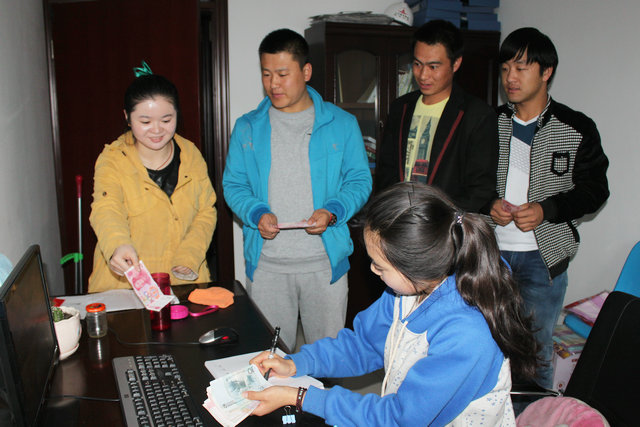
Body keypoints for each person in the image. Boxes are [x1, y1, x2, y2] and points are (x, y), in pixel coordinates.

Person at [244, 182, 538, 426]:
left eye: (380, 265)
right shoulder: (408, 290)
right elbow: (364, 344)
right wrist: (297, 363)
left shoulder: (467, 333)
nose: (373, 270)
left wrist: (300, 397)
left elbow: (400, 418)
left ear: (415, 266)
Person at [222, 29, 372, 350]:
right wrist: (256, 213)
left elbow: (359, 180)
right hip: (268, 268)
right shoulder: (247, 127)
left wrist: (333, 211)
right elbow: (234, 184)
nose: (273, 84)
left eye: (282, 74)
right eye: (266, 74)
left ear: (306, 71)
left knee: (327, 359)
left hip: (325, 265)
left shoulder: (341, 123)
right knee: (270, 358)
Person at [489, 28, 609, 389]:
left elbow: (594, 190)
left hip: (543, 261)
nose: (510, 78)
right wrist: (486, 204)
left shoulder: (576, 127)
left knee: (534, 356)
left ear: (546, 71)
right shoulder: (489, 123)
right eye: (505, 68)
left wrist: (547, 209)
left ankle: (534, 413)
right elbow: (469, 181)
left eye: (521, 68)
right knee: (486, 351)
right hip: (489, 256)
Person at [88, 65, 217, 292]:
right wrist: (118, 244)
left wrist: (189, 256)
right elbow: (106, 208)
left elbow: (206, 210)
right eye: (145, 122)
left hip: (182, 282)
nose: (157, 130)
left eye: (166, 120)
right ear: (127, 117)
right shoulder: (113, 159)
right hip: (125, 286)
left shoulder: (191, 155)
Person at [375, 20, 498, 213]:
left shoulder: (477, 115)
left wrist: (437, 218)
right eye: (417, 64)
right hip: (401, 220)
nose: (423, 75)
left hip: (447, 223)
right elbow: (386, 171)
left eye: (433, 67)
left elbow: (480, 189)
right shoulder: (401, 107)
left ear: (456, 63)